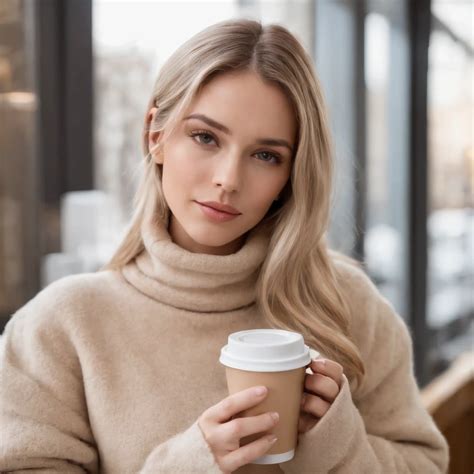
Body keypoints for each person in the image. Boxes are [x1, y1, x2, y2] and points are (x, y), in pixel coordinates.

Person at [0, 18, 448, 474]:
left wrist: (337, 444)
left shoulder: (347, 304)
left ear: (289, 176)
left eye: (265, 155)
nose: (228, 180)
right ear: (156, 136)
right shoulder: (60, 327)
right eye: (205, 137)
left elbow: (424, 464)